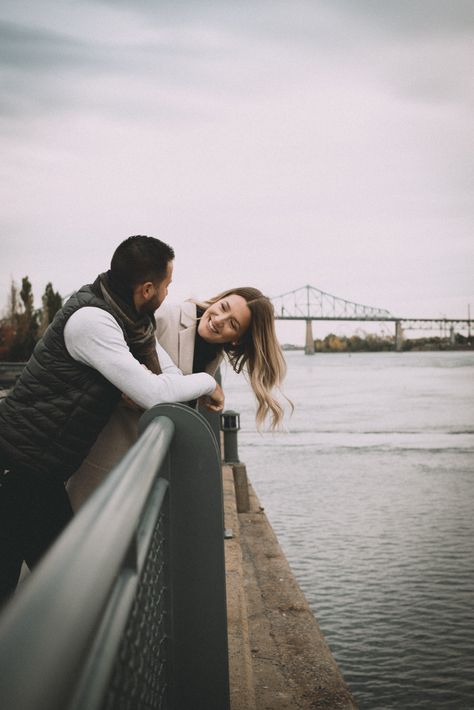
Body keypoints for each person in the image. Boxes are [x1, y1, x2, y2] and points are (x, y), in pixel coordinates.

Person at [0, 235, 224, 604]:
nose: (170, 294)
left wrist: (192, 383)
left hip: (41, 472)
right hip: (17, 470)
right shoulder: (92, 322)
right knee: (59, 587)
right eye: (168, 285)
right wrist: (208, 383)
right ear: (148, 288)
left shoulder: (133, 324)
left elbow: (168, 377)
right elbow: (151, 392)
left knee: (63, 584)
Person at [66, 286, 289, 510]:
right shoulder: (166, 317)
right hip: (107, 450)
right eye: (223, 307)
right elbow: (108, 366)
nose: (220, 319)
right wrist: (130, 395)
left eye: (233, 324)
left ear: (237, 341)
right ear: (217, 300)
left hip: (147, 464)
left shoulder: (213, 354)